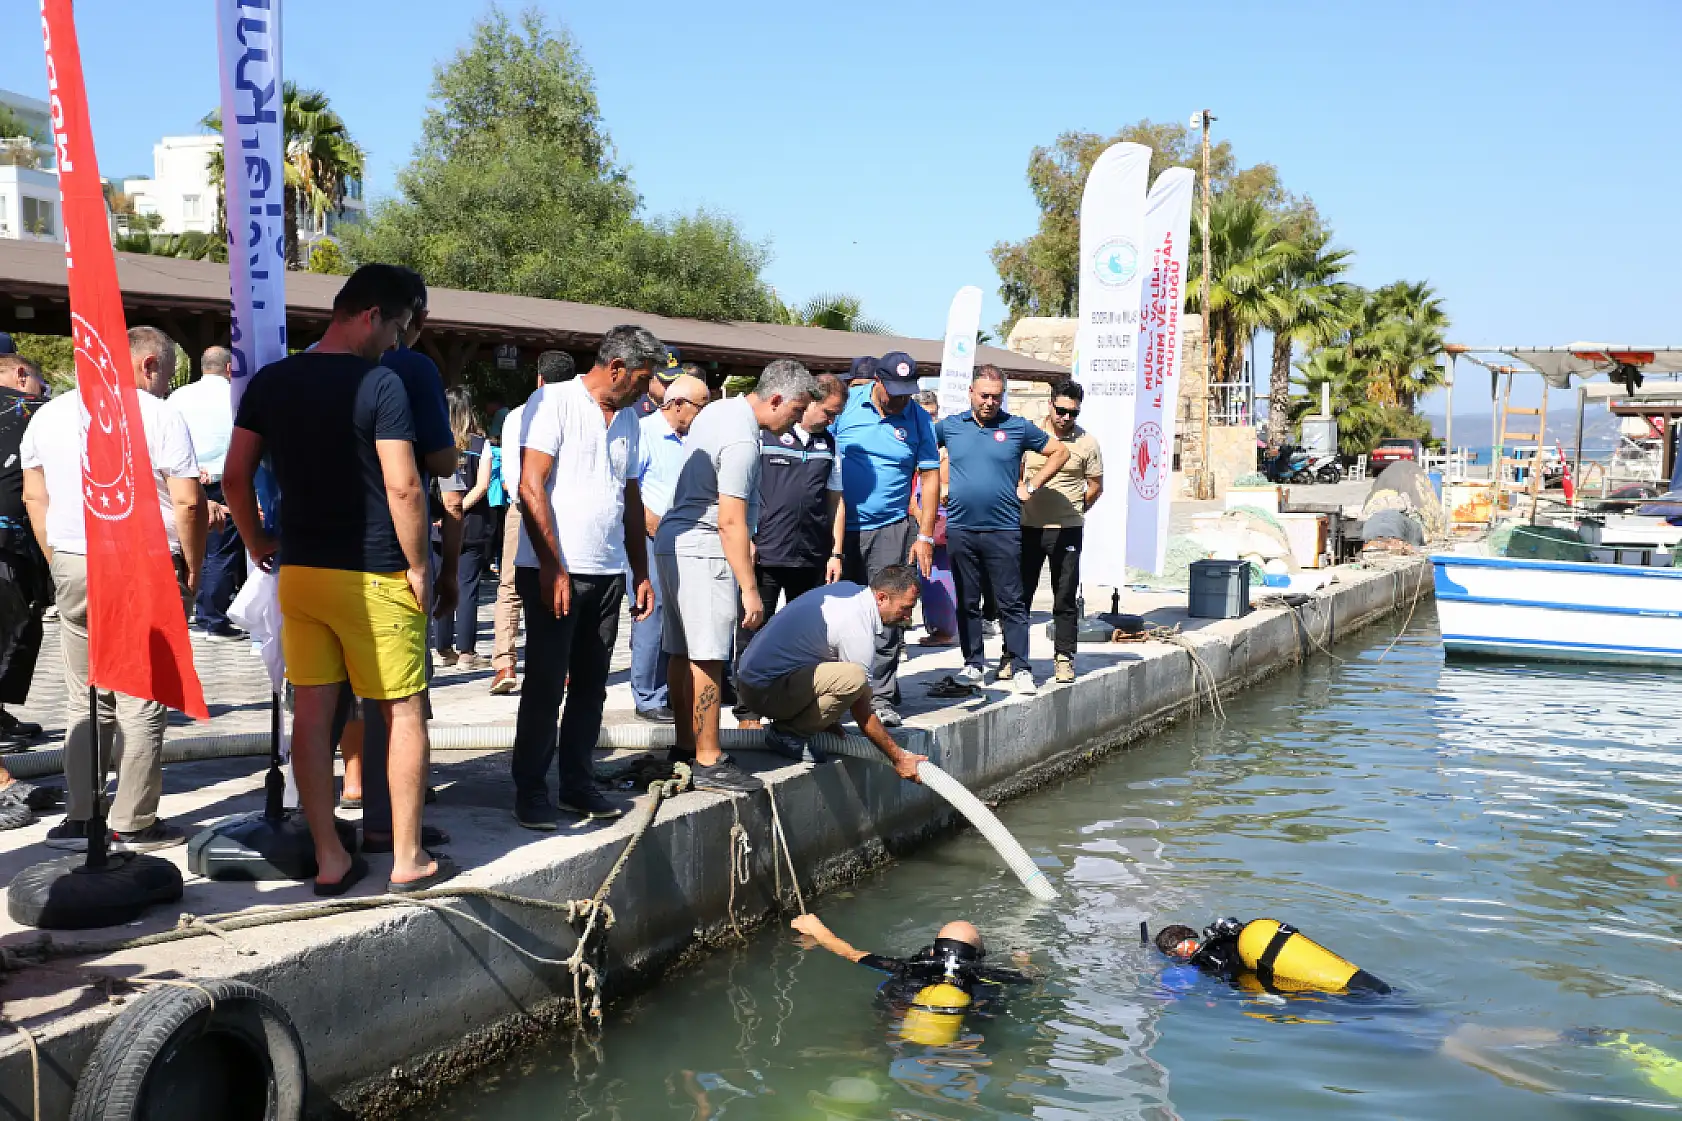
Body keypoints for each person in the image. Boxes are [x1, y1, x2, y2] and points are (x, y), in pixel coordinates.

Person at [224, 263, 453, 895]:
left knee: (314, 716)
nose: (401, 343)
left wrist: (255, 540)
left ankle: (329, 857)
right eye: (401, 327)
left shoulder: (272, 380)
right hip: (375, 573)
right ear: (372, 316)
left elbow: (236, 476)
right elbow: (404, 484)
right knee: (403, 711)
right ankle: (407, 857)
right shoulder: (381, 385)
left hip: (299, 573)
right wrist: (418, 565)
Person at [23, 326, 206, 852]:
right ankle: (133, 820)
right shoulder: (158, 413)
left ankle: (81, 815)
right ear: (149, 365)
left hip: (74, 562)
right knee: (142, 697)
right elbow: (189, 502)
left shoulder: (51, 412)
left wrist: (58, 556)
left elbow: (36, 496)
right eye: (166, 375)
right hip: (142, 562)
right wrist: (194, 567)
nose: (165, 385)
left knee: (85, 696)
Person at [512, 326, 660, 827]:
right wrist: (553, 565)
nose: (647, 390)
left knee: (592, 684)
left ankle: (577, 783)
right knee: (546, 683)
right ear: (615, 367)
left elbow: (631, 499)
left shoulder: (631, 421)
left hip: (607, 570)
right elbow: (530, 485)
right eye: (641, 379)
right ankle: (530, 790)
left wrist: (640, 570)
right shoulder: (554, 401)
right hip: (553, 569)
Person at [655, 358, 818, 793]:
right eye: (797, 410)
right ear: (777, 398)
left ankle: (685, 746)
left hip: (675, 540)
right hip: (705, 544)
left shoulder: (717, 411)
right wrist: (750, 588)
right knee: (707, 654)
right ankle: (709, 759)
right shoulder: (743, 439)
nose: (798, 420)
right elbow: (731, 521)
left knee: (679, 650)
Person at [935, 366, 1067, 695]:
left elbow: (1059, 452)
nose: (990, 402)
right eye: (984, 396)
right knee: (967, 600)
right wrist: (939, 482)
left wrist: (1032, 485)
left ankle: (1021, 667)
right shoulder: (950, 427)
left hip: (1003, 529)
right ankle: (973, 664)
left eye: (996, 396)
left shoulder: (1017, 427)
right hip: (961, 528)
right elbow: (920, 452)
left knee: (1012, 602)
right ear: (970, 392)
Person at [737, 566, 929, 777]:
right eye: (905, 608)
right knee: (854, 679)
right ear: (882, 598)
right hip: (762, 691)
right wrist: (899, 758)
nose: (908, 617)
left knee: (850, 679)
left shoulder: (849, 591)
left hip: (755, 682)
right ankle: (787, 734)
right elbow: (862, 712)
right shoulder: (857, 627)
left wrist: (828, 720)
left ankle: (798, 727)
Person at [733, 373, 848, 723]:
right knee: (752, 631)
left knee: (806, 638)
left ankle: (794, 706)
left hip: (811, 556)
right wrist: (747, 539)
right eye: (829, 412)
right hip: (765, 553)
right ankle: (747, 710)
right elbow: (744, 491)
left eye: (837, 414)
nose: (832, 420)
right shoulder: (766, 435)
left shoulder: (829, 444)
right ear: (810, 401)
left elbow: (836, 502)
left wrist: (836, 553)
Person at [833, 352, 939, 727]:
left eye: (906, 392)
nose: (899, 399)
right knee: (837, 613)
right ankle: (836, 691)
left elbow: (929, 477)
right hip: (840, 528)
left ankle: (879, 697)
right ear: (876, 381)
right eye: (893, 391)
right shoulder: (846, 408)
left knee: (891, 612)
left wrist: (925, 534)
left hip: (893, 526)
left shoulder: (918, 419)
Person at [790, 912, 1034, 1041]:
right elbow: (1032, 979)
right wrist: (1024, 961)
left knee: (895, 1009)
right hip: (964, 1022)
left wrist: (817, 930)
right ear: (977, 958)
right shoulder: (991, 977)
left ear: (932, 950)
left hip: (904, 1007)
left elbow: (851, 953)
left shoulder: (909, 967)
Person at [489, 350, 576, 695]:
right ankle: (563, 664)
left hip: (521, 508)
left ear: (539, 379)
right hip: (561, 512)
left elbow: (512, 474)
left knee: (510, 588)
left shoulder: (518, 416)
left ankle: (504, 664)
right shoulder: (578, 415)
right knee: (562, 582)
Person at [629, 372, 710, 723]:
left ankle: (667, 690)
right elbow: (632, 491)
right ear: (677, 404)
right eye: (700, 406)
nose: (704, 414)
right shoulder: (644, 432)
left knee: (677, 619)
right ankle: (647, 696)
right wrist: (656, 527)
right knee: (651, 614)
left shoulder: (694, 438)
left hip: (686, 541)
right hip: (653, 539)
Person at [1019, 379, 1104, 685]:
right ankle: (1011, 656)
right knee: (1020, 596)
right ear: (1050, 403)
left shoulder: (1087, 443)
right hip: (1028, 527)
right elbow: (1017, 474)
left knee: (1064, 598)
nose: (1066, 418)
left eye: (1073, 413)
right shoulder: (1029, 435)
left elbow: (1095, 486)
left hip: (1067, 530)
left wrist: (1075, 511)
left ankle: (1064, 659)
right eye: (1061, 410)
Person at [170, 345, 247, 640]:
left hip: (184, 479)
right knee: (221, 551)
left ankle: (183, 610)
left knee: (184, 544)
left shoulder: (178, 397)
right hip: (223, 479)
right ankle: (211, 619)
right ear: (229, 369)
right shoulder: (235, 397)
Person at [0, 355, 52, 794]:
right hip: (10, 546)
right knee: (10, 639)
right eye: (39, 379)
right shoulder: (29, 412)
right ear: (20, 375)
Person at [433, 387, 492, 668]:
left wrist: (445, 511)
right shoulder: (481, 445)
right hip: (472, 526)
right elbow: (482, 485)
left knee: (439, 583)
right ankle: (466, 651)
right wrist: (459, 507)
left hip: (436, 526)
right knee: (467, 586)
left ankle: (442, 648)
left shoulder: (435, 443)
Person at [911, 390, 957, 646]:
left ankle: (944, 630)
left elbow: (947, 486)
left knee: (938, 576)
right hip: (914, 516)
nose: (930, 419)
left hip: (939, 522)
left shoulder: (944, 448)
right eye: (925, 414)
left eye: (934, 414)